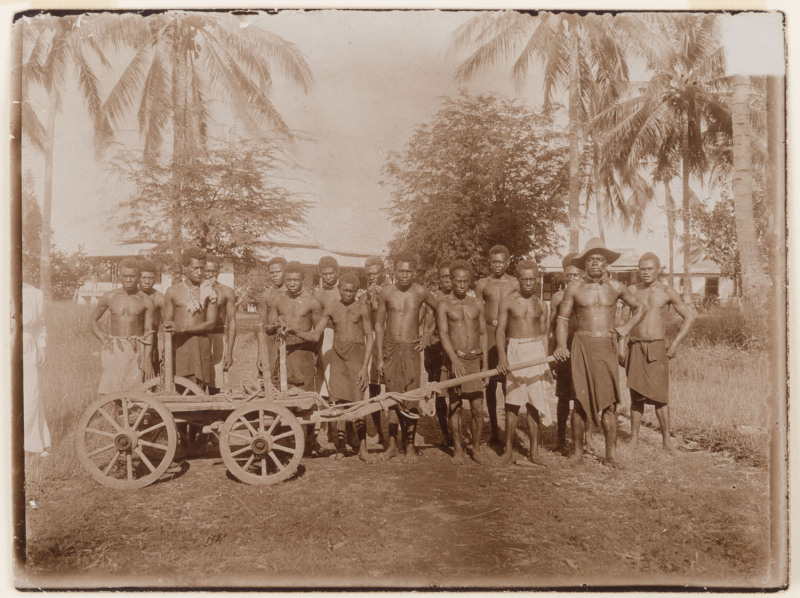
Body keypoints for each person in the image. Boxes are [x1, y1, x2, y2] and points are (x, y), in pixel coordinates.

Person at [554, 238, 646, 468]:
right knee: (579, 401)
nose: (595, 263)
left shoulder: (615, 287)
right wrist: (561, 345)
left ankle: (611, 455)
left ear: (606, 264)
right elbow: (562, 318)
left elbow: (641, 307)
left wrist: (626, 327)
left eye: (599, 260)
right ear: (584, 263)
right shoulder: (574, 287)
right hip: (582, 345)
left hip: (606, 346)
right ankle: (577, 453)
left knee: (609, 405)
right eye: (591, 260)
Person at [623, 252, 695, 455]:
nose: (645, 273)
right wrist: (621, 347)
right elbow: (622, 322)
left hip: (656, 348)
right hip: (635, 346)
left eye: (649, 269)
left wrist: (674, 345)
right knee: (635, 396)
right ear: (638, 270)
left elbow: (689, 317)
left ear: (657, 270)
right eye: (642, 269)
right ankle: (634, 439)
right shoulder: (631, 291)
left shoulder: (666, 291)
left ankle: (667, 442)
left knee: (661, 398)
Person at [375, 252, 439, 461]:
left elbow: (441, 310)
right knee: (392, 396)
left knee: (411, 396)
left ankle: (409, 444)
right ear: (394, 271)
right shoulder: (386, 292)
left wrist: (428, 334)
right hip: (391, 349)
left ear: (414, 272)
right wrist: (378, 357)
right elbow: (378, 325)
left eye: (408, 271)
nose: (404, 275)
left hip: (411, 349)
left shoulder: (420, 292)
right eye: (400, 271)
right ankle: (392, 444)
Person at [309, 273, 374, 461]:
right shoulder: (331, 308)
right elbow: (315, 335)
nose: (348, 294)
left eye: (352, 291)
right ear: (339, 289)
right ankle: (340, 447)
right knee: (338, 402)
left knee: (358, 402)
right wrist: (292, 330)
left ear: (357, 291)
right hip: (337, 356)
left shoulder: (362, 308)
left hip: (357, 356)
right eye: (345, 290)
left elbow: (369, 337)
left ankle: (363, 449)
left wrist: (364, 368)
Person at [497, 260, 552, 466]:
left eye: (532, 279)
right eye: (524, 279)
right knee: (512, 403)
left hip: (536, 352)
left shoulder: (541, 304)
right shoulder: (508, 301)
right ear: (518, 279)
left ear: (537, 279)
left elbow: (545, 333)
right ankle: (508, 451)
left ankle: (534, 452)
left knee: (534, 404)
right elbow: (500, 330)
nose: (528, 282)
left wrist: (545, 361)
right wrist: (503, 357)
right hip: (516, 352)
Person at [437, 260, 488, 465]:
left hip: (474, 359)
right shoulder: (444, 304)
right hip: (455, 360)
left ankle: (475, 449)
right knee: (455, 406)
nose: (461, 284)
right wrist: (454, 359)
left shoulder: (477, 304)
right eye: (457, 280)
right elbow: (443, 334)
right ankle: (458, 449)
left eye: (465, 281)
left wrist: (485, 364)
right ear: (451, 280)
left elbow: (483, 333)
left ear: (470, 282)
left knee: (477, 407)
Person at [476, 245, 519, 447]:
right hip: (489, 333)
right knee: (490, 384)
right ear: (489, 262)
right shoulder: (483, 284)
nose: (497, 265)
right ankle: (494, 430)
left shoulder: (515, 283)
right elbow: (476, 312)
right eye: (494, 262)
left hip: (509, 335)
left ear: (508, 262)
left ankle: (508, 432)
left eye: (501, 261)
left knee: (508, 382)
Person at [90, 258, 155, 393]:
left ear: (138, 277)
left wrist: (147, 359)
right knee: (113, 390)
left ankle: (135, 413)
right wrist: (103, 338)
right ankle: (116, 414)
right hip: (115, 349)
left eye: (132, 276)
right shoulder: (109, 297)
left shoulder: (146, 300)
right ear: (119, 276)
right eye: (125, 276)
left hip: (137, 350)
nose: (129, 280)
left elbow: (149, 332)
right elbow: (92, 321)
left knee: (137, 390)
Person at [163, 248, 218, 390]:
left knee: (198, 388)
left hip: (200, 344)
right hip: (179, 346)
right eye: (195, 268)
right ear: (184, 269)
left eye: (202, 268)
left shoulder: (209, 291)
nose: (200, 272)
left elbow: (211, 323)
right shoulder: (173, 291)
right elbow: (167, 323)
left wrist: (183, 329)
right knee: (178, 385)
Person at [265, 261, 322, 392]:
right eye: (288, 280)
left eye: (295, 280)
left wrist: (295, 332)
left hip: (302, 353)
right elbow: (270, 329)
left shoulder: (312, 302)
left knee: (304, 396)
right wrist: (275, 324)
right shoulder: (277, 299)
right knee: (280, 393)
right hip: (281, 351)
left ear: (303, 279)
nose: (291, 284)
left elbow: (316, 336)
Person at [548, 253, 584, 454]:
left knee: (582, 397)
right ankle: (560, 439)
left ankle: (582, 442)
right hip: (563, 352)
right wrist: (551, 355)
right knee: (563, 397)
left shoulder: (587, 294)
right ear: (563, 276)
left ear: (582, 274)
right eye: (568, 275)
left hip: (583, 351)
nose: (572, 278)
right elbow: (551, 328)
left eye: (576, 274)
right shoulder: (557, 298)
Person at [422, 262, 453, 446]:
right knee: (439, 392)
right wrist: (427, 340)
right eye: (444, 277)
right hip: (436, 349)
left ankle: (453, 428)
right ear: (439, 279)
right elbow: (427, 327)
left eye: (450, 276)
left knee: (455, 392)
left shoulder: (460, 297)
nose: (448, 280)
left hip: (454, 349)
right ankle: (445, 432)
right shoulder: (433, 299)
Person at [359, 255, 387, 447]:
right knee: (374, 387)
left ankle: (393, 433)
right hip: (372, 341)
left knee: (395, 386)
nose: (372, 277)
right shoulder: (363, 296)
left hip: (390, 341)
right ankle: (378, 431)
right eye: (369, 274)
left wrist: (383, 294)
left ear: (383, 273)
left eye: (376, 274)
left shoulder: (393, 291)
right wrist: (369, 300)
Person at [21, 281, 51, 456]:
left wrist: (42, 346)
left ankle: (31, 443)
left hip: (26, 345)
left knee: (31, 394)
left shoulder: (34, 294)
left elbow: (40, 323)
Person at [204, 255, 237, 393]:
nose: (210, 274)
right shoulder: (193, 290)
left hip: (217, 336)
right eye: (207, 270)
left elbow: (231, 322)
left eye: (214, 271)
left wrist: (229, 352)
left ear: (218, 272)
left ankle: (213, 413)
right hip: (198, 337)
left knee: (215, 384)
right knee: (195, 380)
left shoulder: (226, 291)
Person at [256, 256, 287, 385]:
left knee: (286, 379)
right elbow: (261, 325)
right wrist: (260, 353)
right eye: (272, 273)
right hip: (269, 341)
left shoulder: (291, 292)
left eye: (278, 272)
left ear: (285, 271)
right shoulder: (266, 295)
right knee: (268, 379)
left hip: (287, 340)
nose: (274, 275)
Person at [138, 259, 165, 376]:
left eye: (151, 278)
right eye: (144, 277)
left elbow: (166, 323)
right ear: (138, 277)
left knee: (152, 372)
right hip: (135, 338)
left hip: (153, 340)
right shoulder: (132, 296)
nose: (147, 281)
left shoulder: (159, 298)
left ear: (155, 279)